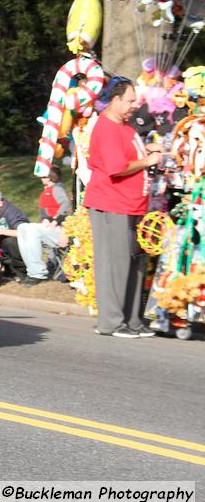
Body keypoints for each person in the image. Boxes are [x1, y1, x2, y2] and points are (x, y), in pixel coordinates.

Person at [84, 76, 161, 339]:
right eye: (129, 101)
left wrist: (148, 148)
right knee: (113, 264)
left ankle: (132, 320)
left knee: (134, 263)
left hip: (132, 205)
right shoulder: (106, 127)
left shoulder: (125, 126)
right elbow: (117, 168)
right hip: (110, 204)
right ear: (115, 100)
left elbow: (129, 152)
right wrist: (148, 160)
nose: (133, 106)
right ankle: (111, 323)